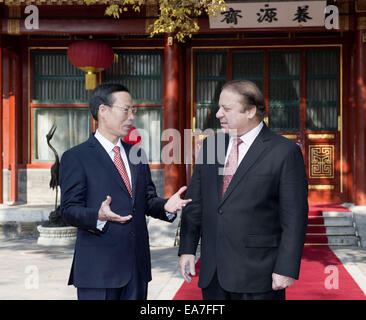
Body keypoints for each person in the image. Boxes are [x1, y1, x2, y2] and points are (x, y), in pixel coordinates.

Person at [59, 82, 191, 300]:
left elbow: (147, 200)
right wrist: (98, 216)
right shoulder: (76, 157)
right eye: (126, 109)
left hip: (136, 269)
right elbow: (69, 209)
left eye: (133, 110)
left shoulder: (136, 154)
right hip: (98, 272)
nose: (131, 117)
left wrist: (165, 206)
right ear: (103, 111)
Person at [178, 80, 308, 300]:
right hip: (214, 274)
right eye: (219, 108)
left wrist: (286, 268)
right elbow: (196, 201)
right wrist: (187, 248)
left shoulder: (284, 152)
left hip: (258, 275)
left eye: (226, 109)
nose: (218, 114)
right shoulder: (212, 146)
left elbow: (294, 217)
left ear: (250, 111)